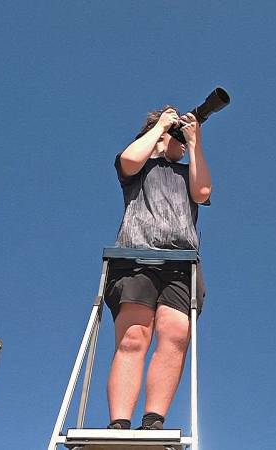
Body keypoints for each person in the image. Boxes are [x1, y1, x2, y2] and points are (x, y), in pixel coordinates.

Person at [104, 106, 211, 430]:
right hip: (137, 256)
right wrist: (161, 127)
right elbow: (127, 160)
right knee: (134, 336)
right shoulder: (140, 165)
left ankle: (153, 420)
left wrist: (194, 143)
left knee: (176, 335)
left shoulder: (185, 171)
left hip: (181, 262)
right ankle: (120, 423)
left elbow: (203, 191)